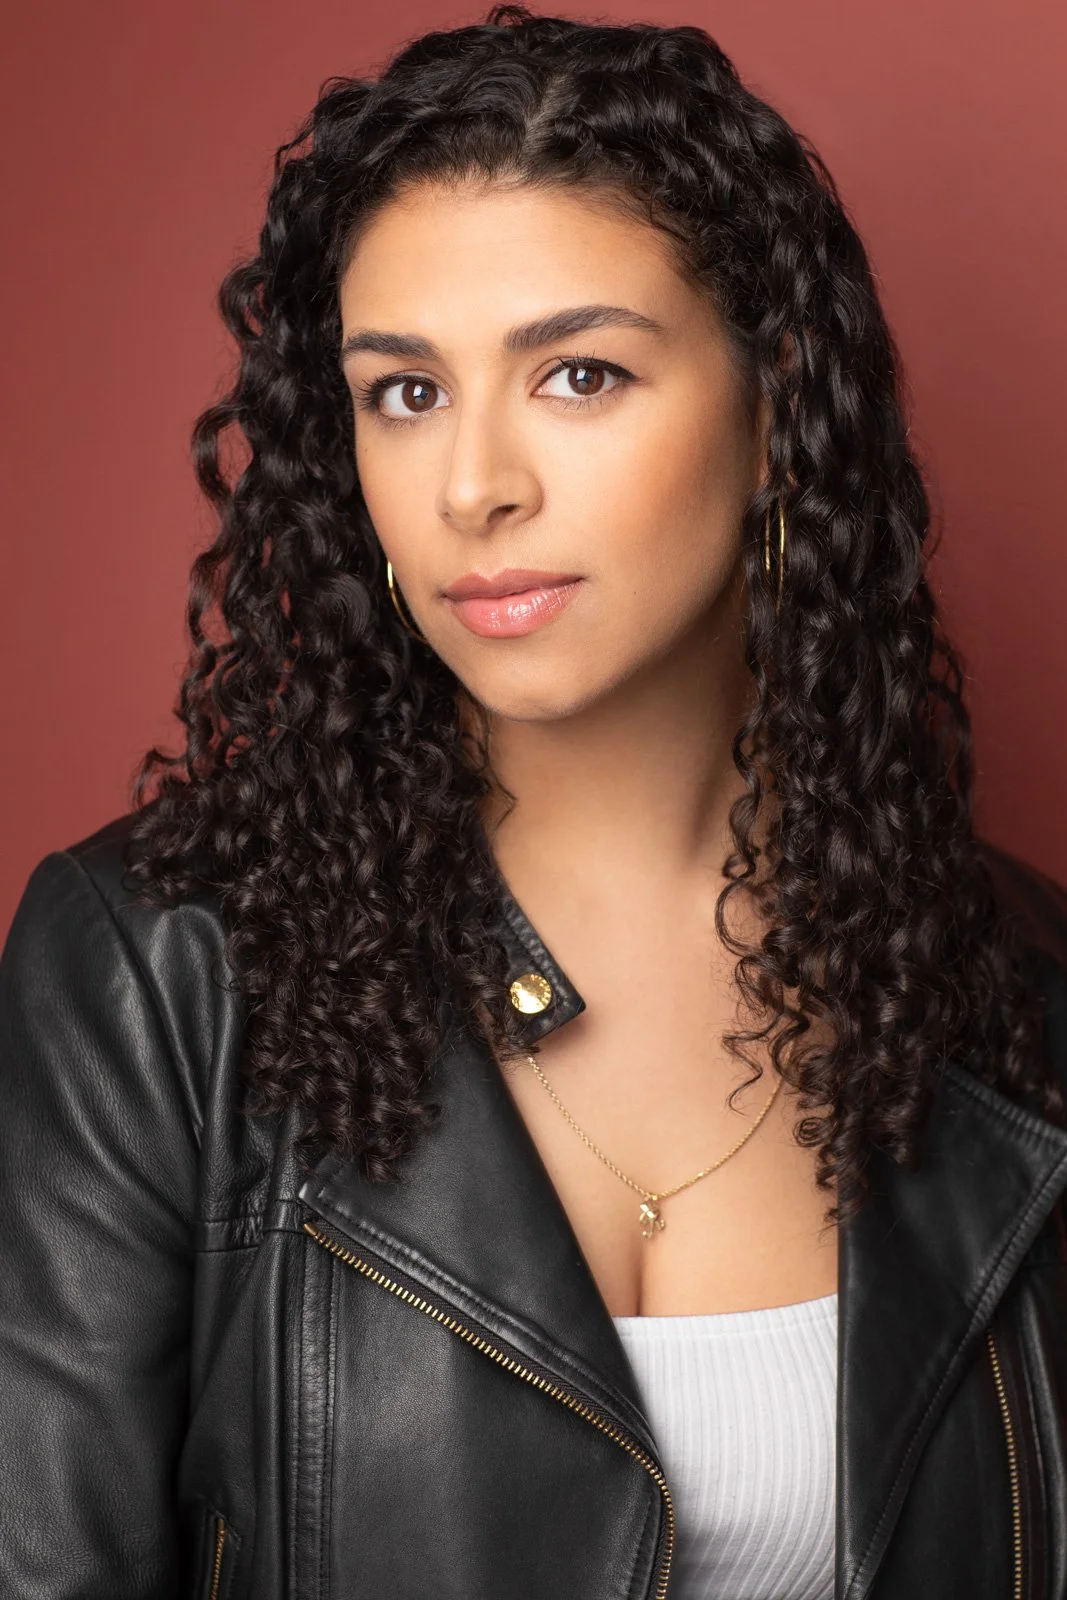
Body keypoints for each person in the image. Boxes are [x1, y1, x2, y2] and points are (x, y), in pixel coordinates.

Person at [2, 6, 1066, 1597]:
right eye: (404, 394)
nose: (471, 485)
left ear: (777, 407)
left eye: (577, 374)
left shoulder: (1014, 984)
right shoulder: (157, 970)